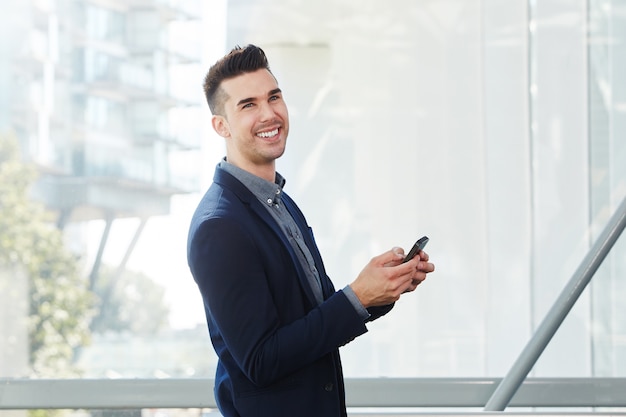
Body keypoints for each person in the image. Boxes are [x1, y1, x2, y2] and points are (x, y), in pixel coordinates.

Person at [187, 44, 435, 417]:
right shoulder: (219, 226)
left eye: (274, 97)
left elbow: (315, 319)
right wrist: (357, 295)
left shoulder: (280, 204)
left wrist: (380, 289)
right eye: (248, 105)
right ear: (220, 125)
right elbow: (261, 360)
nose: (269, 114)